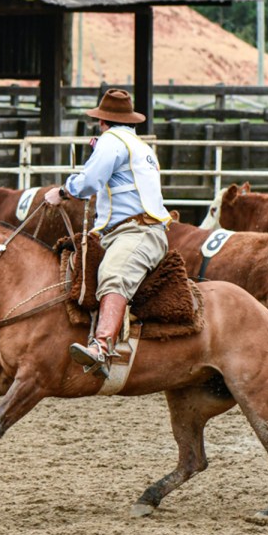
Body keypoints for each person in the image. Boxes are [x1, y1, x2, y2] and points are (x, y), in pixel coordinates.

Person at [43, 89, 172, 377]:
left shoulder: (111, 142)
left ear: (103, 122)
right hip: (135, 230)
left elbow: (90, 181)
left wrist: (63, 191)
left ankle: (101, 347)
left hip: (136, 232)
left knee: (114, 275)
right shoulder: (140, 147)